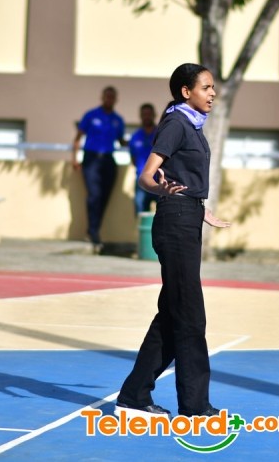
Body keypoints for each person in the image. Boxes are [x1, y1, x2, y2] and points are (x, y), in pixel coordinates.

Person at [115, 63, 231, 419]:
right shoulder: (176, 123)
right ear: (186, 91)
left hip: (187, 218)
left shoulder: (191, 125)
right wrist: (167, 193)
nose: (212, 93)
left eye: (213, 87)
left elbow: (185, 178)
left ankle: (134, 395)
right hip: (176, 223)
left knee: (172, 314)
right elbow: (146, 176)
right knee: (191, 316)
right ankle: (195, 405)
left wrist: (199, 208)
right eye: (206, 87)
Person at [72, 86, 126, 252]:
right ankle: (93, 231)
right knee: (94, 195)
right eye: (107, 96)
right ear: (102, 97)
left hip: (109, 160)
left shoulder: (118, 119)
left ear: (115, 99)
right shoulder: (91, 115)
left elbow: (121, 141)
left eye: (112, 97)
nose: (109, 99)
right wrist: (74, 158)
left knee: (104, 198)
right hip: (91, 158)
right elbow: (78, 137)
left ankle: (93, 230)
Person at [129, 102, 159, 215]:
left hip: (159, 181)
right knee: (140, 214)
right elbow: (133, 159)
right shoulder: (135, 136)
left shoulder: (161, 133)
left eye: (149, 114)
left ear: (154, 115)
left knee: (164, 215)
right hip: (141, 182)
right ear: (140, 116)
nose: (147, 117)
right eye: (144, 114)